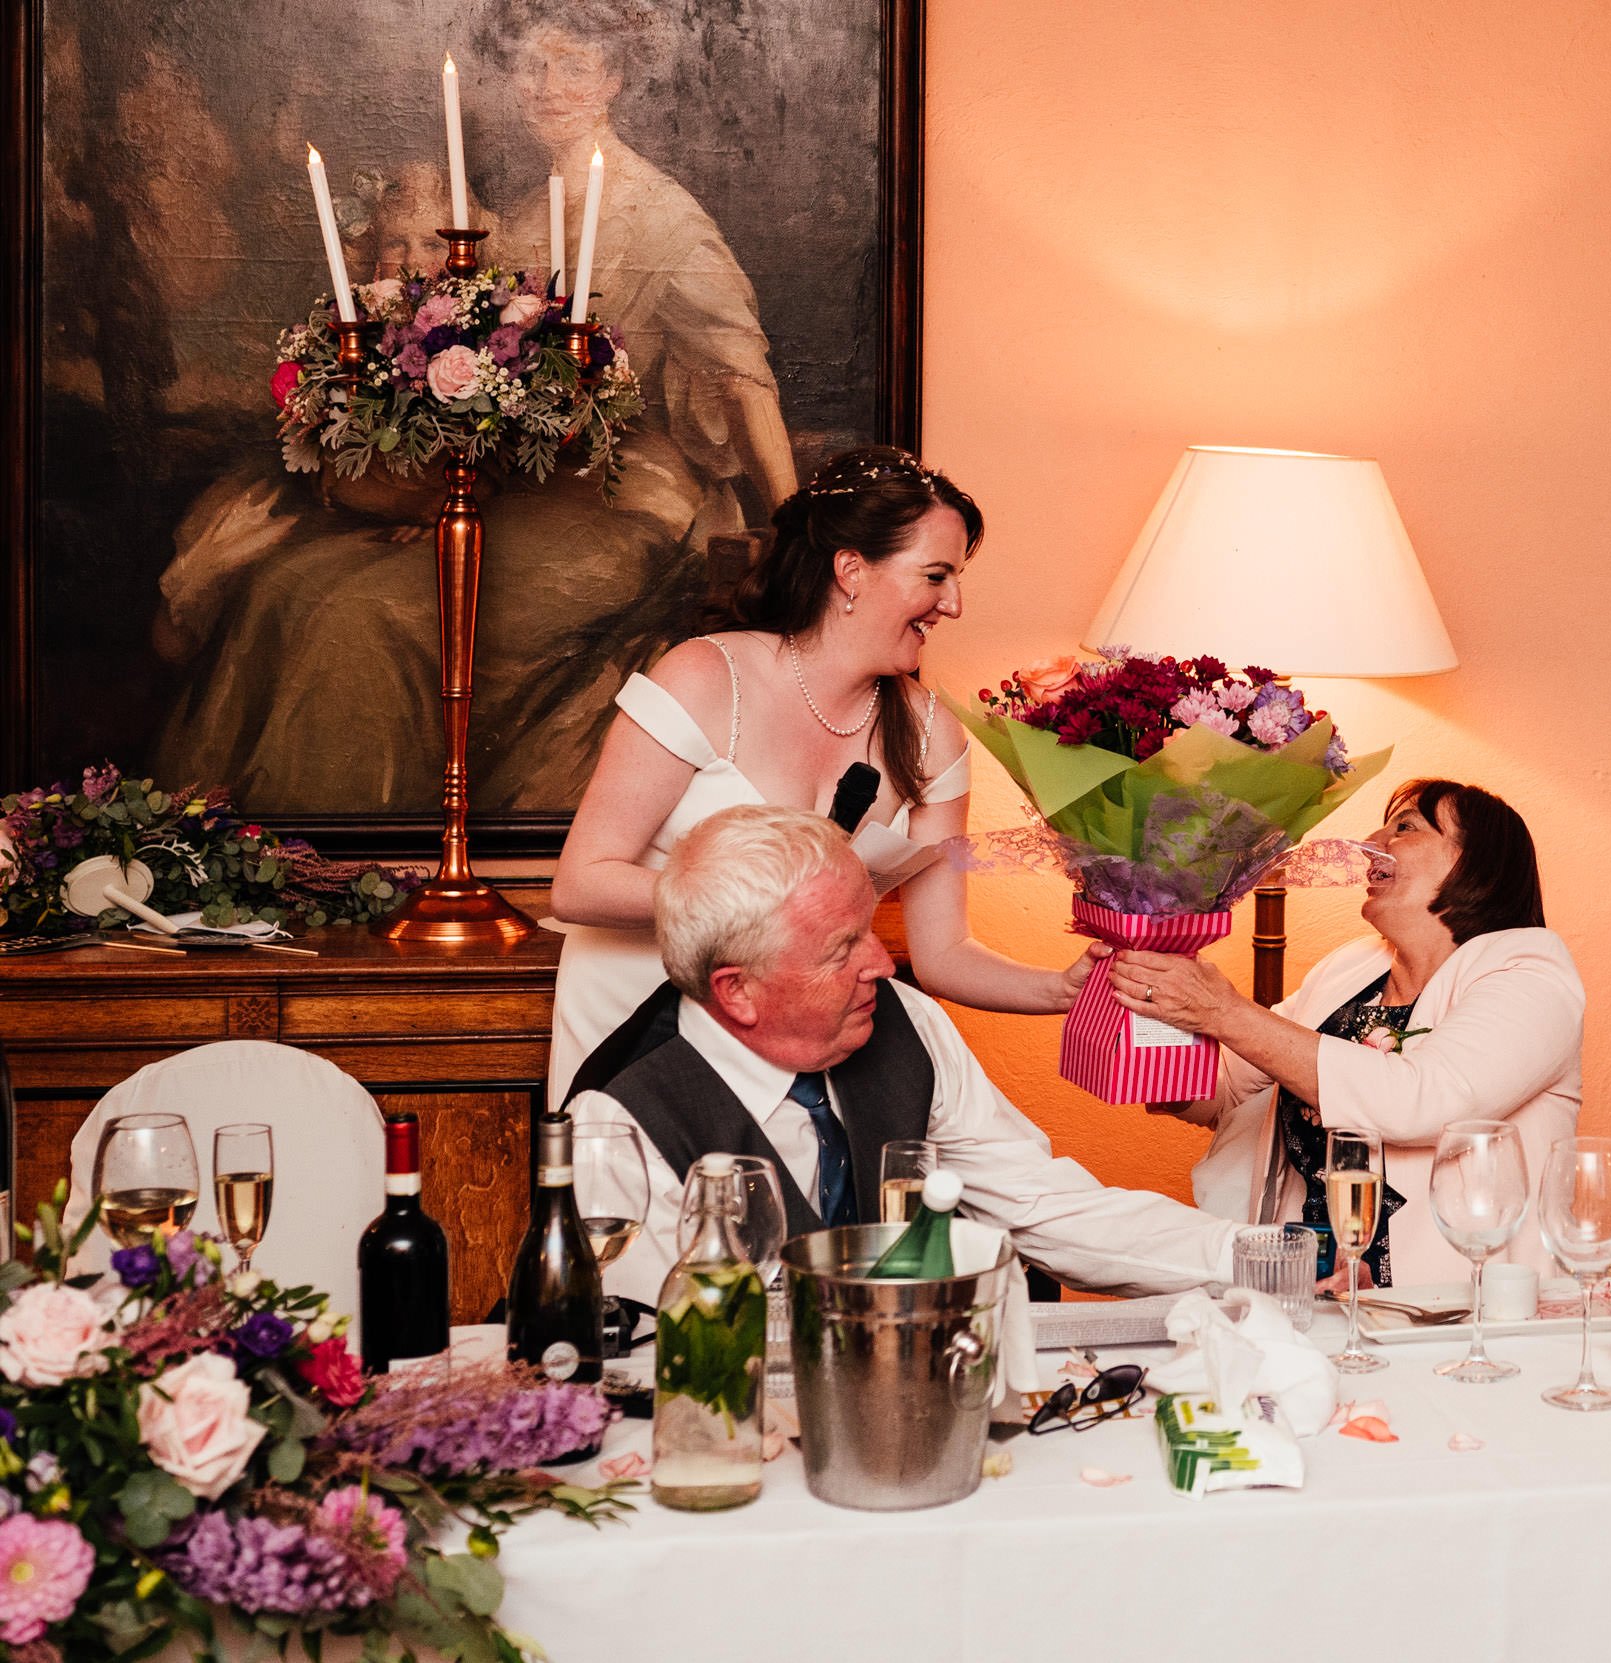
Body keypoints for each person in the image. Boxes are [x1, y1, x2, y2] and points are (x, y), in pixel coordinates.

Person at [152, 0, 801, 816]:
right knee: (289, 585)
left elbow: (744, 380)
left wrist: (803, 534)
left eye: (573, 66)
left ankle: (359, 853)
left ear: (613, 79)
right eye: (532, 66)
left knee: (361, 615)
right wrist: (443, 488)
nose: (547, 87)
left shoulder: (665, 219)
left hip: (626, 502)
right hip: (515, 493)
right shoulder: (518, 220)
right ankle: (231, 849)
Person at [545, 446, 1092, 1103]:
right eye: (936, 575)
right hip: (634, 1035)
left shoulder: (931, 738)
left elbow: (944, 952)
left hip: (794, 1058)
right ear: (851, 570)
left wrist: (1061, 989)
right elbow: (580, 883)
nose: (955, 604)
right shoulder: (704, 677)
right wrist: (774, 906)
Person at [571, 804, 1238, 1310]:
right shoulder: (618, 1120)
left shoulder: (904, 1020)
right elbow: (652, 1355)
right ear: (738, 991)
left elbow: (1046, 1206)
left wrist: (1255, 1256)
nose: (883, 963)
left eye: (870, 928)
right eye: (843, 949)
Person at [1106, 780, 1583, 1286]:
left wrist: (1223, 1011)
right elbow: (1221, 1094)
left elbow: (1421, 1101)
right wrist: (1148, 966)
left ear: (1477, 862)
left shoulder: (1532, 973)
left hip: (1461, 1313)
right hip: (1310, 1296)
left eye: (1405, 826)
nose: (1373, 840)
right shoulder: (1352, 966)